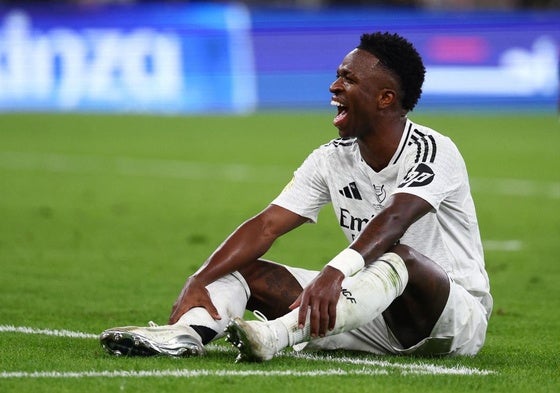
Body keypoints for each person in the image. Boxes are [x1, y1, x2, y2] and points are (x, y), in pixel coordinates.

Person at [99, 32, 492, 361]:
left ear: (385, 98)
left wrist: (335, 273)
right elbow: (266, 225)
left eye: (348, 80)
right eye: (338, 77)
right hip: (368, 315)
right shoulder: (330, 159)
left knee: (398, 255)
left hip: (450, 319)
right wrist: (200, 277)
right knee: (241, 269)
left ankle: (274, 336)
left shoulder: (432, 150)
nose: (334, 87)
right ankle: (186, 335)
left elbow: (395, 219)